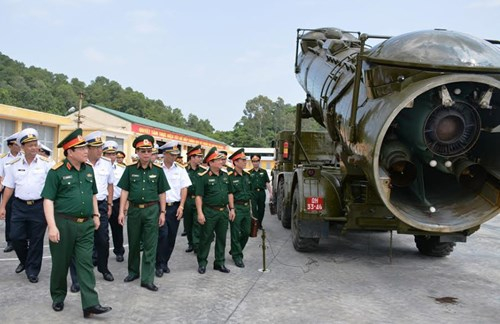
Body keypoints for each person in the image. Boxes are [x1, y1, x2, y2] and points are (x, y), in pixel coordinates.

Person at [41, 128, 111, 318]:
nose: (86, 151)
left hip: (86, 224)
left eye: (85, 147)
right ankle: (57, 296)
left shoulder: (89, 170)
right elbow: (48, 200)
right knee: (60, 264)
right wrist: (52, 226)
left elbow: (93, 194)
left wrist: (96, 215)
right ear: (70, 152)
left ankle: (90, 303)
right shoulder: (56, 172)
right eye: (81, 148)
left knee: (85, 263)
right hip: (63, 224)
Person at [118, 135, 169, 292]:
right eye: (143, 151)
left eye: (149, 151)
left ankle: (147, 279)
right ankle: (133, 272)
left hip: (152, 210)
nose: (146, 154)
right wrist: (121, 211)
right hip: (134, 210)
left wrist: (162, 212)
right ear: (137, 152)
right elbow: (125, 191)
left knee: (150, 244)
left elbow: (162, 193)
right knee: (133, 243)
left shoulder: (158, 171)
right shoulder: (130, 170)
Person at [0, 128, 52, 282]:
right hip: (19, 206)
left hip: (39, 206)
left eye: (35, 144)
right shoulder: (13, 164)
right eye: (29, 145)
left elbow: (54, 185)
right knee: (16, 237)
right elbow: (9, 187)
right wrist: (2, 207)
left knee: (36, 240)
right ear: (22, 147)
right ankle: (25, 261)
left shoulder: (46, 164)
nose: (33, 147)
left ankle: (32, 271)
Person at [195, 147, 235, 274]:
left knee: (222, 238)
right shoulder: (203, 177)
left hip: (223, 212)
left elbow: (230, 193)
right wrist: (200, 213)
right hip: (209, 211)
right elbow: (198, 196)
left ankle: (219, 263)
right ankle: (202, 262)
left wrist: (232, 209)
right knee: (205, 238)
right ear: (211, 163)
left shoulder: (225, 175)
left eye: (221, 160)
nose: (221, 162)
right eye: (217, 160)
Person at [155, 141, 191, 277]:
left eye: (176, 154)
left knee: (171, 237)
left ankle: (165, 262)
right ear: (164, 154)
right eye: (171, 154)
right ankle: (158, 263)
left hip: (175, 207)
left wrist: (181, 206)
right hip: (160, 208)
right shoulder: (157, 169)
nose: (174, 157)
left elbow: (184, 188)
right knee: (162, 236)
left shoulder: (180, 169)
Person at [84, 131, 115, 282]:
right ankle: (82, 273)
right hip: (84, 206)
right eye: (96, 147)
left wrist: (110, 204)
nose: (99, 150)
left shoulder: (107, 163)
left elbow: (110, 185)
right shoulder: (81, 163)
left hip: (101, 205)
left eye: (100, 146)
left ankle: (103, 268)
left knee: (103, 239)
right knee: (84, 240)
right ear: (88, 148)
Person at [227, 149, 253, 268]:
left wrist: (251, 210)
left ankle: (235, 249)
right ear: (235, 162)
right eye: (242, 160)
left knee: (246, 232)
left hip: (246, 208)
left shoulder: (248, 176)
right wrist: (231, 209)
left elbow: (250, 193)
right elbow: (230, 194)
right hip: (236, 207)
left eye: (245, 160)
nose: (245, 162)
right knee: (235, 233)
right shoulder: (230, 177)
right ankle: (237, 256)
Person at [102, 140, 126, 262]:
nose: (111, 157)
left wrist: (124, 206)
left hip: (116, 202)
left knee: (117, 229)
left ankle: (119, 251)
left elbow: (125, 189)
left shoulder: (122, 169)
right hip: (101, 203)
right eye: (108, 154)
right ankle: (98, 254)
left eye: (113, 154)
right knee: (101, 231)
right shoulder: (97, 167)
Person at [0, 132, 22, 253]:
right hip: (8, 190)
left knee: (20, 215)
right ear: (10, 146)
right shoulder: (3, 159)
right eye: (16, 144)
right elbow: (1, 175)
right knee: (9, 216)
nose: (18, 146)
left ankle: (22, 240)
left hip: (20, 190)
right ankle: (10, 242)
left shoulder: (23, 156)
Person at [183, 145, 204, 253]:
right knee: (188, 223)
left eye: (201, 156)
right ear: (191, 157)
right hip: (187, 200)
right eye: (198, 157)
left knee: (197, 223)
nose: (200, 159)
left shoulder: (203, 171)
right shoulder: (184, 170)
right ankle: (190, 243)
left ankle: (197, 245)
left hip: (198, 199)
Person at [249, 154, 272, 229]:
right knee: (254, 209)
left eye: (257, 161)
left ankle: (259, 224)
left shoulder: (264, 172)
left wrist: (271, 192)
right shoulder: (249, 173)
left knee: (261, 209)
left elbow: (267, 183)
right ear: (252, 162)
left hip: (262, 193)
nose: (255, 163)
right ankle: (255, 224)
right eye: (253, 161)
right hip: (253, 193)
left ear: (259, 161)